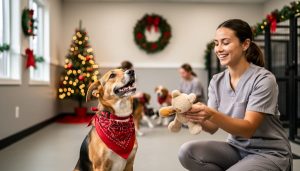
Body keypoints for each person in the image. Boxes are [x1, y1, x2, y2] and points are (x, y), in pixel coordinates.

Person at [178, 19, 292, 171]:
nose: (219, 49)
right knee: (187, 152)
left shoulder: (264, 79)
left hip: (269, 153)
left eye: (225, 42)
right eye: (216, 43)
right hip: (236, 148)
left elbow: (248, 129)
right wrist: (191, 115)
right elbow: (212, 127)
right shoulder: (216, 81)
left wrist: (210, 113)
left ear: (245, 44)